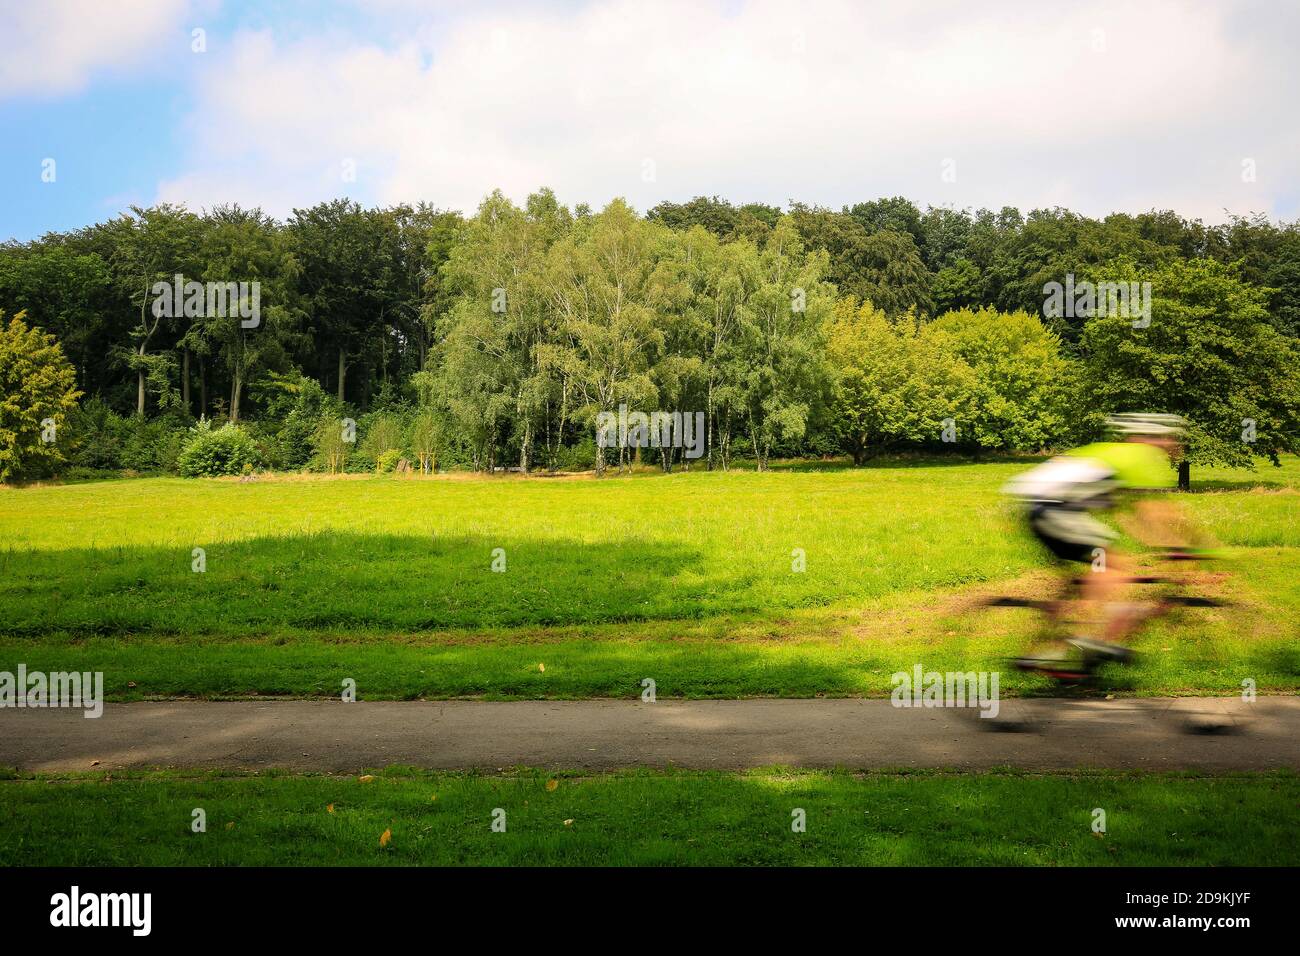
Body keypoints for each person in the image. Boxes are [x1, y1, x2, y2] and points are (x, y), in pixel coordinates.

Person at [1002, 413, 1196, 675]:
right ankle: (1086, 640)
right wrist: (1185, 547)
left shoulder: (1117, 454)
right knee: (1115, 567)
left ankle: (1044, 653)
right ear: (1148, 438)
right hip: (1052, 508)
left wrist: (1166, 545)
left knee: (1079, 582)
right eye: (1165, 437)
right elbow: (1152, 511)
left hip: (1042, 507)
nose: (1171, 443)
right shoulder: (1138, 456)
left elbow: (1130, 515)